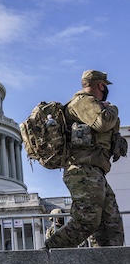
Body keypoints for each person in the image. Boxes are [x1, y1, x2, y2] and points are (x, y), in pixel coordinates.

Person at [45, 70, 125, 249]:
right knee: (86, 221)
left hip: (95, 171)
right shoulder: (83, 102)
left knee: (111, 225)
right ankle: (47, 253)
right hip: (83, 170)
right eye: (104, 87)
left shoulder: (92, 103)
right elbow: (103, 122)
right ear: (101, 85)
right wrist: (112, 108)